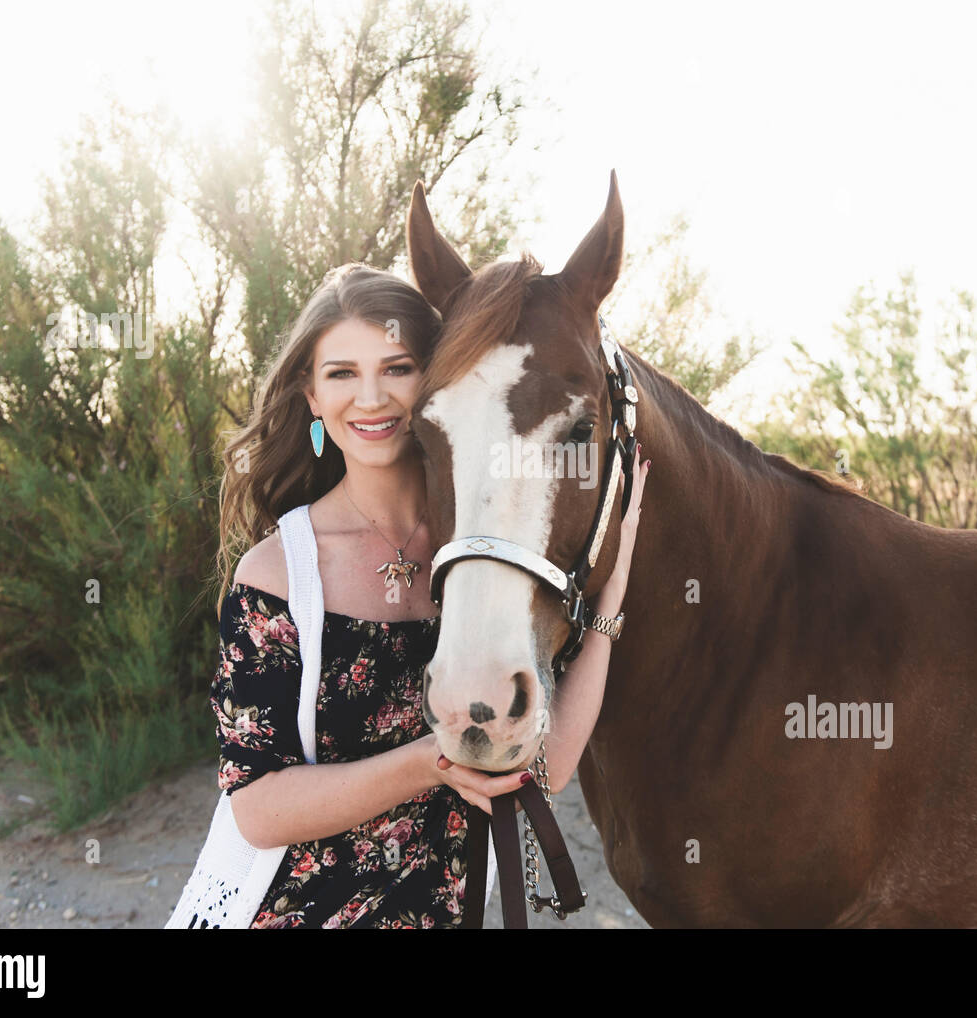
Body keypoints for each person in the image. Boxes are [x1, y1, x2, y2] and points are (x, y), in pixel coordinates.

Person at [209, 263, 648, 928]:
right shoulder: (277, 574)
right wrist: (428, 763)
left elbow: (545, 769)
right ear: (311, 396)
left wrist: (609, 602)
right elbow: (256, 809)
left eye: (397, 367)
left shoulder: (487, 560)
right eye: (341, 374)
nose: (372, 397)